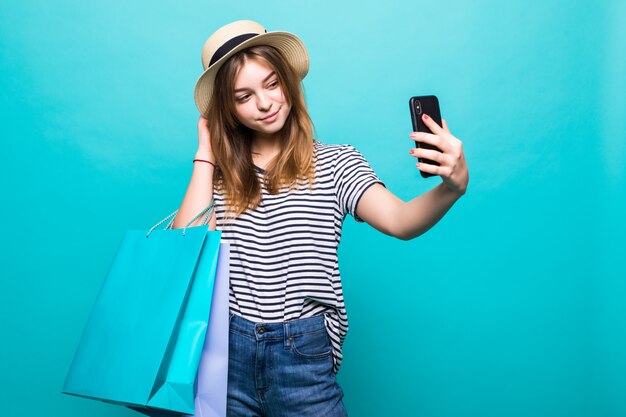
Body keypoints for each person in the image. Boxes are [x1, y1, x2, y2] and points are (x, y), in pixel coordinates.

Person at [172, 20, 468, 417]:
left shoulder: (336, 163)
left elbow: (400, 220)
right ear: (229, 110)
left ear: (289, 83)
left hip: (302, 355)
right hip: (226, 354)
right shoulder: (218, 177)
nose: (264, 102)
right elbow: (184, 251)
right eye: (243, 96)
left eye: (272, 83)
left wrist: (451, 187)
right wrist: (207, 151)